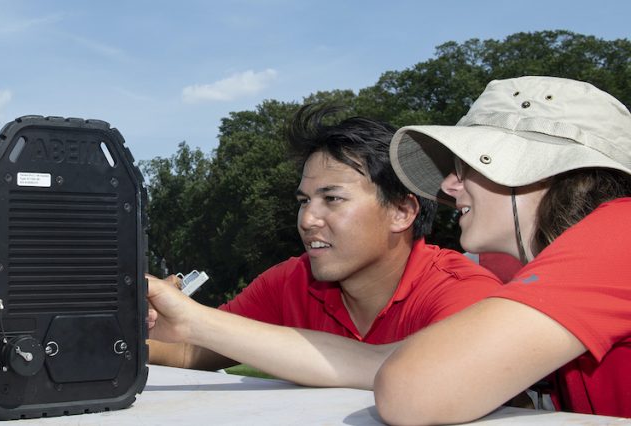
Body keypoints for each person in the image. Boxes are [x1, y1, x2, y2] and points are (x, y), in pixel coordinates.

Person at [147, 105, 501, 388]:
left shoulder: (464, 294)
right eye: (304, 200)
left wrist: (198, 320)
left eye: (332, 198)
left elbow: (436, 380)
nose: (307, 219)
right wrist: (117, 329)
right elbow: (190, 351)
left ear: (401, 211)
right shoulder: (290, 281)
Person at [377, 76, 631, 422]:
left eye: (464, 167)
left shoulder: (620, 230)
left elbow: (409, 389)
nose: (449, 185)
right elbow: (384, 363)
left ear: (538, 166)